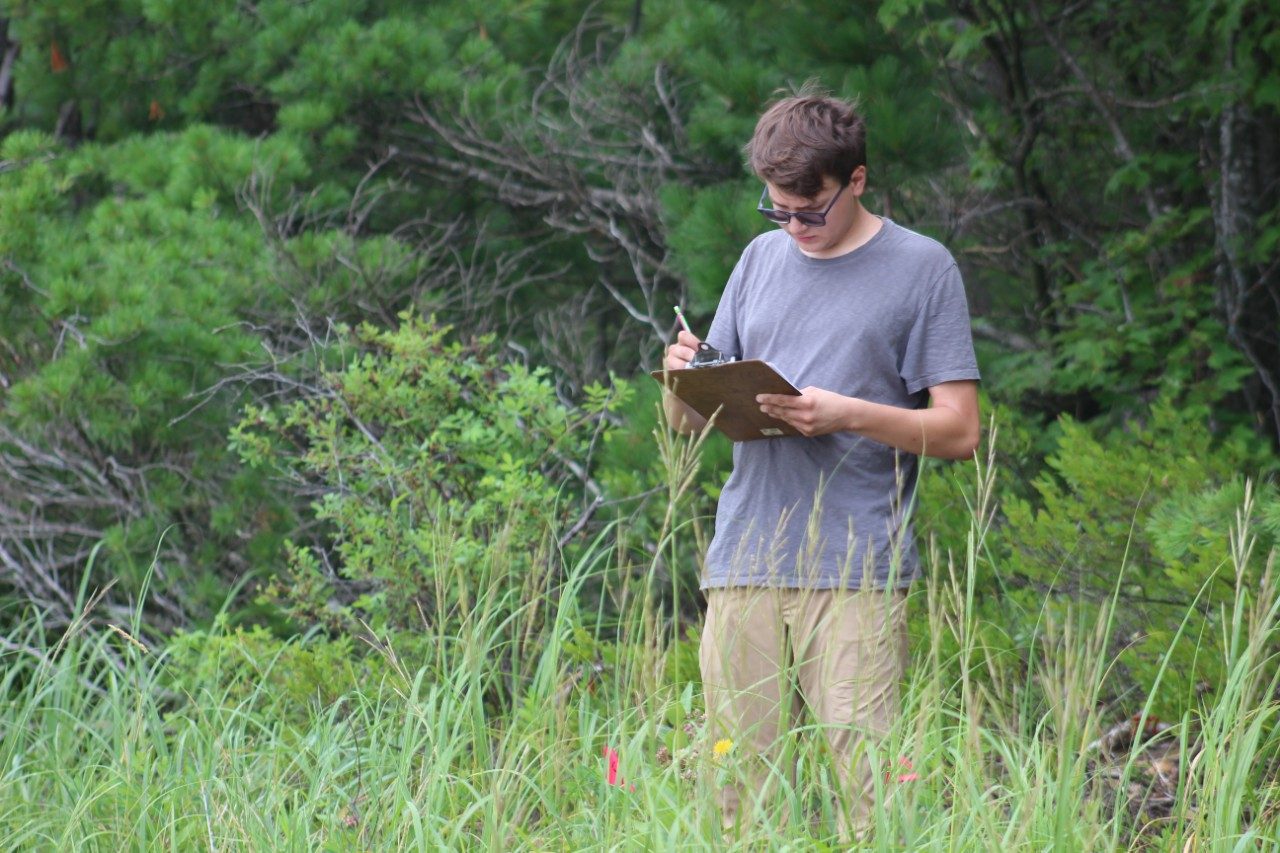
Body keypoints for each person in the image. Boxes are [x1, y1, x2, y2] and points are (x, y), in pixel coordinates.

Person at [662, 87, 980, 837]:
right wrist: (681, 376)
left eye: (812, 210)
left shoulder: (923, 270)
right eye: (779, 209)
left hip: (856, 568)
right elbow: (685, 423)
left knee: (868, 796)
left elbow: (961, 430)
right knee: (739, 794)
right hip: (746, 559)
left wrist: (846, 414)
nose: (795, 227)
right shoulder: (759, 259)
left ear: (858, 181)